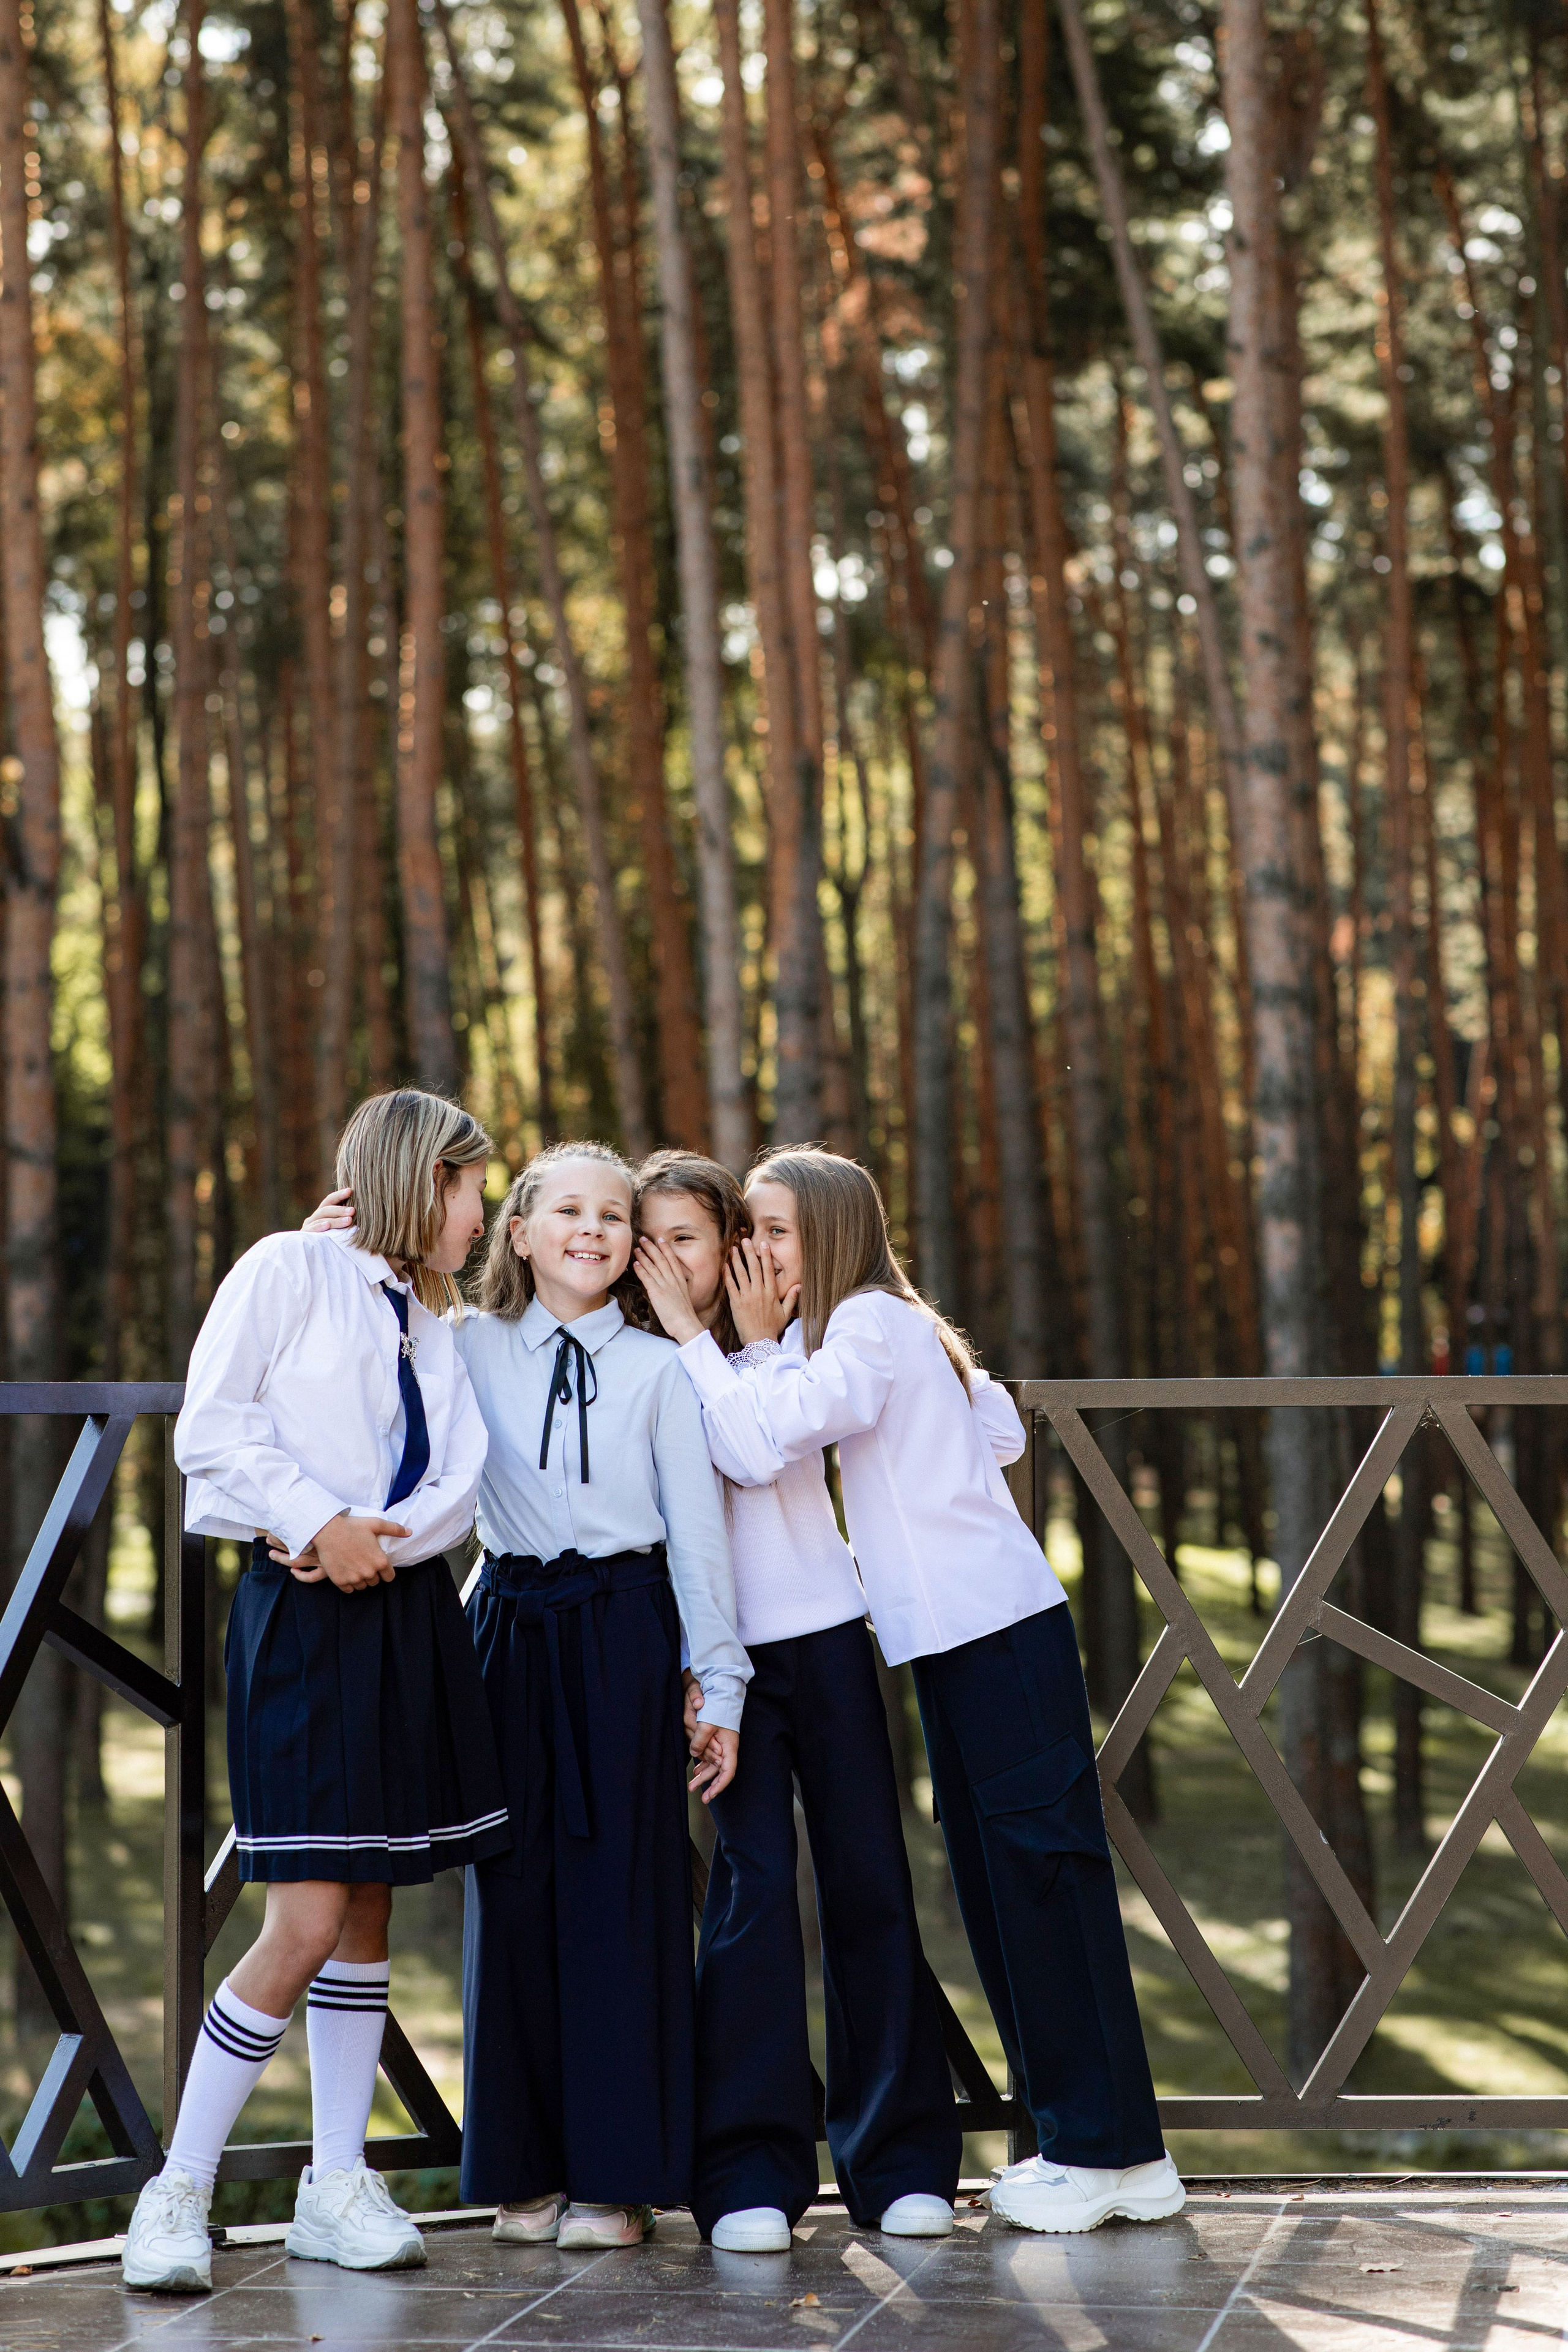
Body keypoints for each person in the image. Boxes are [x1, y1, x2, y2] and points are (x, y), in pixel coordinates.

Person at [666, 1146, 1185, 2237]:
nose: (757, 1255)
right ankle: (1085, 2146)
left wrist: (739, 1344)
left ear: (833, 1233)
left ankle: (1113, 2155)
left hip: (995, 1633)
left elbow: (759, 1445)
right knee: (1003, 1892)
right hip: (957, 1641)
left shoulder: (864, 1323)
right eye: (750, 1234)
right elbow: (998, 1431)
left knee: (1044, 1887)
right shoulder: (886, 1327)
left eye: (775, 1232)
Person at [122, 1090, 508, 2296]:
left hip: (401, 1610)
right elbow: (211, 1431)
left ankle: (334, 2186)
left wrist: (370, 1543)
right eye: (470, 1191)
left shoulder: (435, 1322)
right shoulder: (285, 1269)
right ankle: (176, 2190)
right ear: (420, 1179)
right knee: (302, 1918)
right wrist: (315, 1522)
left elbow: (461, 1477)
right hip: (299, 1616)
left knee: (370, 1906)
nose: (481, 1217)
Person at [635, 1151, 960, 2254]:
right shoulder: (643, 1364)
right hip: (718, 1668)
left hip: (826, 1638)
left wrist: (755, 1341)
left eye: (693, 1241)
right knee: (753, 1894)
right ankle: (746, 2172)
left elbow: (763, 1448)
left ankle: (900, 2159)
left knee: (871, 1880)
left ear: (734, 1248)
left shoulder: (794, 1346)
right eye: (653, 1244)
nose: (671, 1265)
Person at [452, 1142, 750, 2250]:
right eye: (568, 1210)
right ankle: (522, 2172)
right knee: (512, 1893)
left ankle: (615, 2183)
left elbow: (698, 1534)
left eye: (614, 1216)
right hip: (508, 1629)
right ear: (519, 1233)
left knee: (624, 1897)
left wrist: (720, 1681)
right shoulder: (464, 1344)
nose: (593, 1229)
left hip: (626, 1629)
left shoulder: (661, 1370)